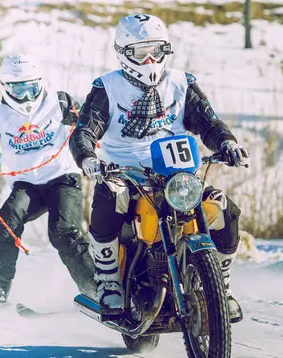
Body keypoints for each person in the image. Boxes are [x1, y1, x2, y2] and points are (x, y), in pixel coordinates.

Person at [69, 14, 250, 322]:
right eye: (141, 52)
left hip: (177, 174)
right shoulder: (107, 88)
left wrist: (226, 143)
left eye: (157, 50)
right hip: (125, 172)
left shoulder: (182, 83)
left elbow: (208, 122)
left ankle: (222, 286)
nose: (150, 59)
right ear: (124, 53)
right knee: (110, 197)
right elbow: (85, 130)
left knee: (225, 210)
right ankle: (109, 281)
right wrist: (88, 158)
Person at [0, 54, 96, 306]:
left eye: (31, 88)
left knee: (63, 231)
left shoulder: (60, 102)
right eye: (18, 89)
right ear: (5, 87)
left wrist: (83, 131)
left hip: (63, 178)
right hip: (27, 185)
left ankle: (95, 291)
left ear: (41, 83)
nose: (26, 97)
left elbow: (90, 123)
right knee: (4, 225)